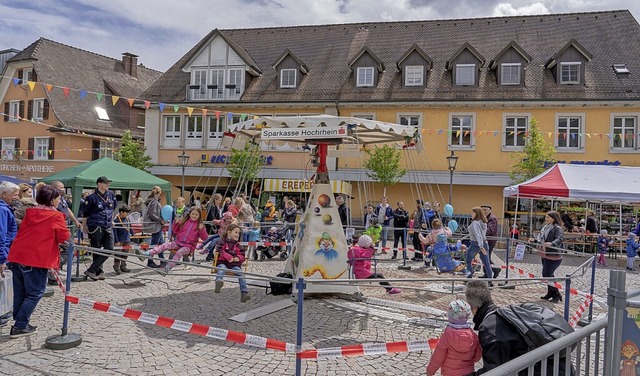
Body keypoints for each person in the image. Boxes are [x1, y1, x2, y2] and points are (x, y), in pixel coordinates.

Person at [465, 280, 573, 375]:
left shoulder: (488, 328)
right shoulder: (510, 312)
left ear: (473, 307)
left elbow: (493, 370)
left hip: (540, 370)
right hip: (560, 366)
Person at [7, 184, 70, 338]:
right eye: (58, 198)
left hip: (18, 255)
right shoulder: (55, 216)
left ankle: (20, 321)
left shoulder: (31, 212)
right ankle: (20, 325)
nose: (59, 201)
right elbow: (64, 237)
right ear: (52, 200)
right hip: (35, 258)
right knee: (35, 293)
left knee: (20, 292)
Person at [139, 207, 208, 273]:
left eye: (196, 214)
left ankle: (167, 268)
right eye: (193, 214)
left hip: (188, 246)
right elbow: (175, 231)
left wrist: (202, 229)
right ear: (190, 214)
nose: (194, 216)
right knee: (165, 245)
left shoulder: (199, 225)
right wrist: (176, 223)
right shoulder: (184, 222)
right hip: (178, 242)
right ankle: (147, 254)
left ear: (199, 216)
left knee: (179, 253)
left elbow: (205, 238)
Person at [426, 299, 481, 376]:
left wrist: (430, 372)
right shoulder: (473, 336)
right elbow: (477, 357)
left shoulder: (447, 336)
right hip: (468, 372)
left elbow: (438, 357)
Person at [80, 176, 117, 281]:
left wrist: (112, 220)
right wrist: (84, 225)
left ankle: (91, 270)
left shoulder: (111, 195)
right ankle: (99, 271)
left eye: (108, 183)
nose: (107, 185)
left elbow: (113, 208)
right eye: (105, 183)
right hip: (95, 225)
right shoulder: (91, 197)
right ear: (99, 184)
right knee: (96, 250)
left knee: (109, 249)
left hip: (107, 225)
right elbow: (85, 213)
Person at [528, 211, 564, 303]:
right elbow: (542, 239)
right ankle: (550, 293)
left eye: (548, 217)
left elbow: (559, 239)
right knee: (549, 275)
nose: (546, 219)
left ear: (553, 218)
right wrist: (534, 240)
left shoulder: (557, 228)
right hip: (544, 254)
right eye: (545, 217)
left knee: (547, 275)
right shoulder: (545, 227)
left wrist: (552, 243)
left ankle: (556, 294)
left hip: (553, 255)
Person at [213, 223, 251, 303]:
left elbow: (242, 255)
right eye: (236, 232)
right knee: (221, 268)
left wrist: (237, 258)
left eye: (238, 233)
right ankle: (218, 281)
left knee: (240, 273)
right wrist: (229, 257)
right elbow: (220, 251)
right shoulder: (222, 242)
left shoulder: (238, 245)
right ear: (229, 232)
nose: (237, 234)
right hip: (223, 262)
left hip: (234, 265)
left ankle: (244, 292)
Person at [143, 186, 167, 268]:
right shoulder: (154, 202)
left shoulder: (152, 201)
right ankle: (150, 261)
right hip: (156, 226)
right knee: (155, 244)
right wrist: (161, 220)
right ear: (159, 193)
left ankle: (162, 260)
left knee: (160, 244)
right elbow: (152, 214)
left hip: (157, 226)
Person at [480, 205, 501, 279]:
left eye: (485, 210)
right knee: (484, 257)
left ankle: (495, 269)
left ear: (490, 211)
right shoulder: (482, 218)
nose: (484, 211)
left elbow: (490, 230)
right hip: (484, 240)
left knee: (486, 257)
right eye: (482, 210)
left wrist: (480, 232)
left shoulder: (492, 218)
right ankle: (486, 273)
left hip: (490, 241)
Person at [113, 205, 133, 274]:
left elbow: (130, 226)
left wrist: (133, 233)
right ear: (121, 212)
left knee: (125, 253)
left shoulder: (127, 219)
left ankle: (123, 266)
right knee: (118, 254)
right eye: (126, 212)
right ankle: (116, 267)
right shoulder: (116, 220)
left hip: (126, 239)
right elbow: (114, 232)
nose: (127, 214)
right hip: (119, 240)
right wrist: (116, 241)